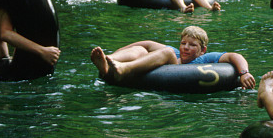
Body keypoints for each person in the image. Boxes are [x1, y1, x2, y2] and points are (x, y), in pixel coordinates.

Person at [90, 25, 256, 89]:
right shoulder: (175, 52)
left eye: (192, 45)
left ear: (202, 50)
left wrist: (244, 73)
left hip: (178, 76)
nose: (185, 47)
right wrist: (117, 52)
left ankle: (124, 68)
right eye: (183, 43)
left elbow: (234, 56)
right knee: (141, 49)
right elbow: (147, 44)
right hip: (156, 71)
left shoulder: (205, 59)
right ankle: (109, 62)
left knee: (167, 52)